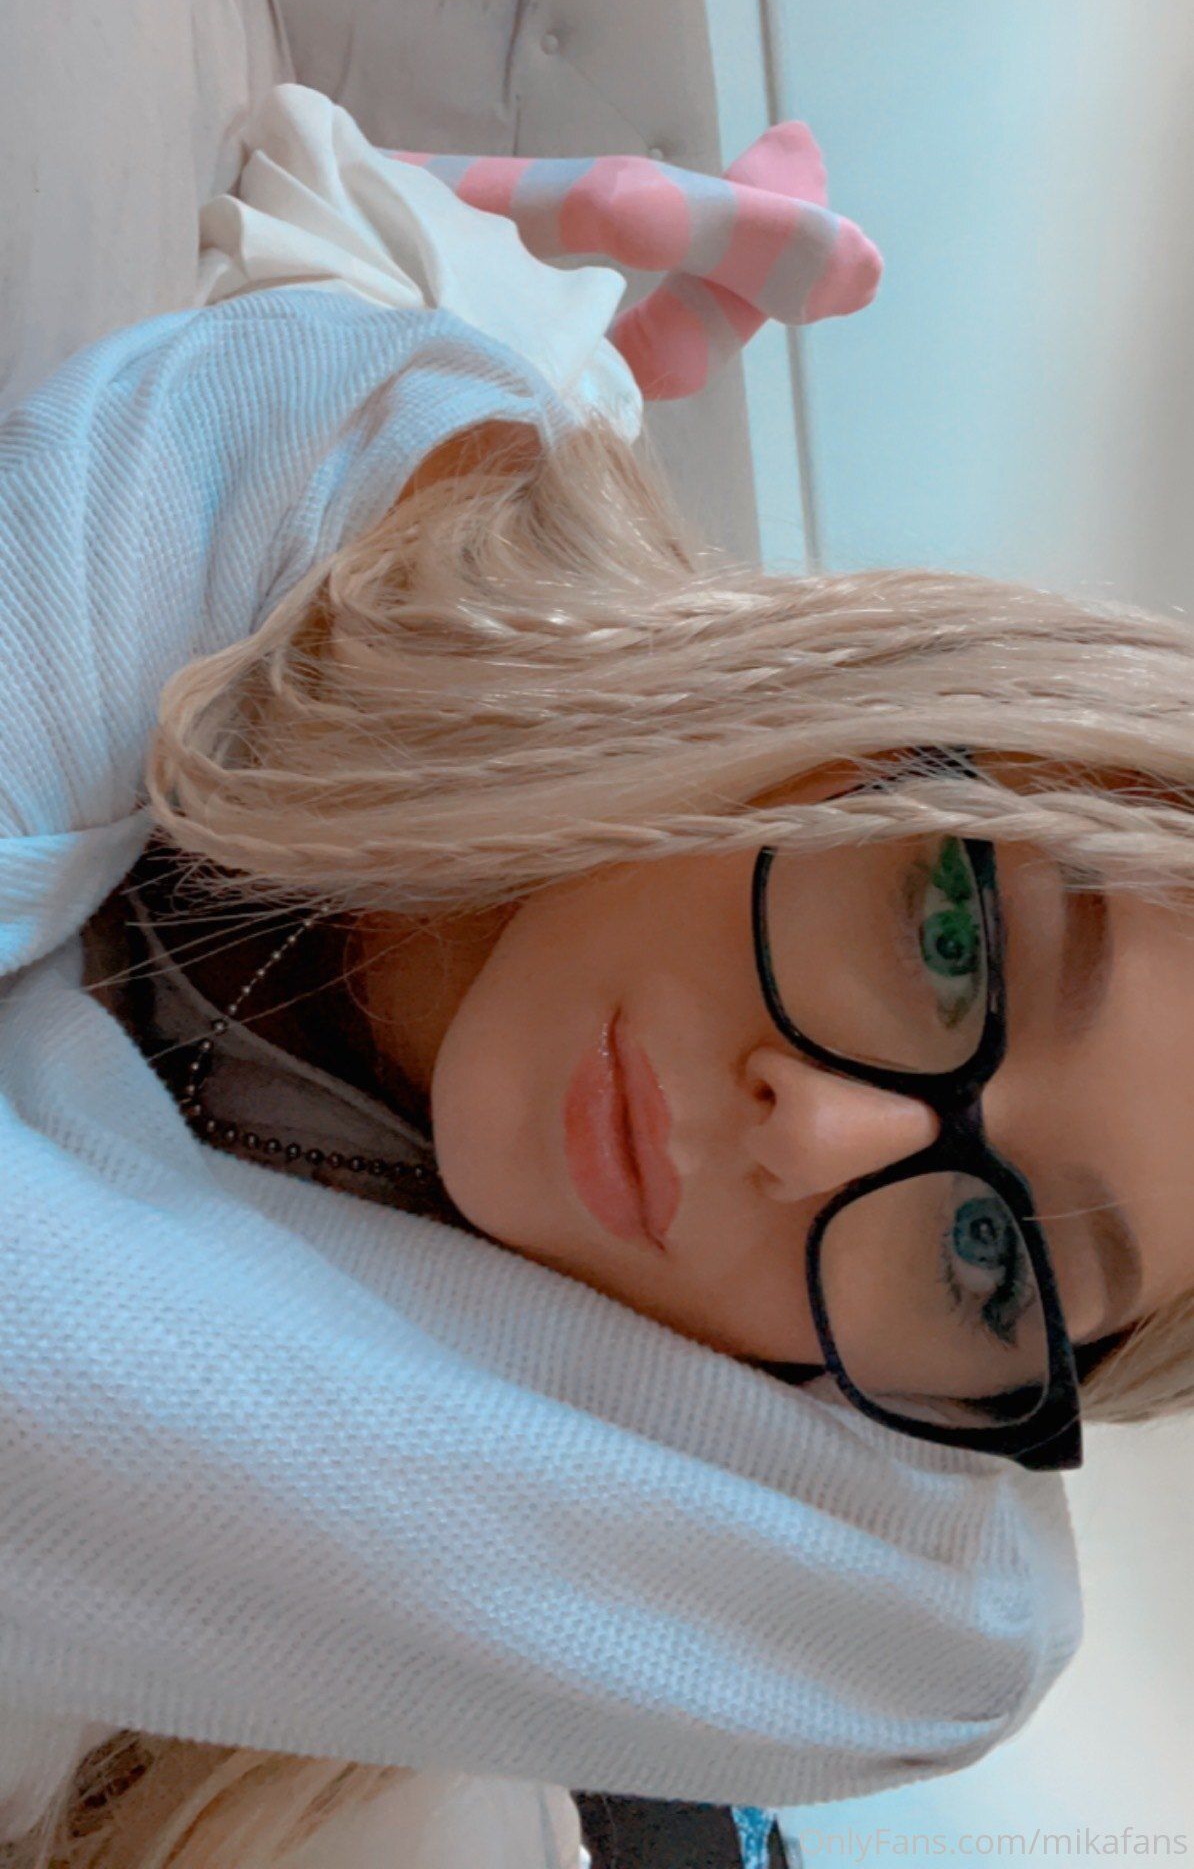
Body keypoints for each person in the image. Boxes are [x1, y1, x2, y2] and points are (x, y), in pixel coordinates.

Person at [3, 91, 1188, 1868]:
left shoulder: (872, 1518)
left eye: (986, 1255)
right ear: (861, 704)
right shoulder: (336, 463)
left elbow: (961, 1640)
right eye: (952, 942)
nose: (821, 1137)